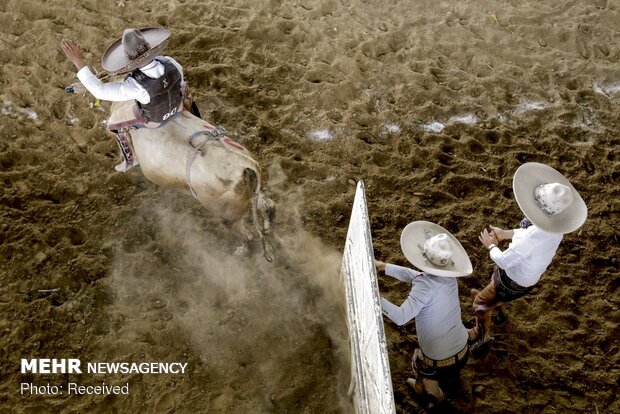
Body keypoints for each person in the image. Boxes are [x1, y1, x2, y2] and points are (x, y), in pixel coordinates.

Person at [469, 162, 588, 350]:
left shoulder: (530, 238)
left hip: (512, 279)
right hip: (526, 279)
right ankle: (496, 306)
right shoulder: (556, 230)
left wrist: (491, 245)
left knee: (479, 302)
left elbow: (504, 260)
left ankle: (481, 335)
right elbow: (527, 234)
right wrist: (504, 234)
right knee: (495, 286)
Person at [61, 27, 190, 172]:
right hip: (177, 106)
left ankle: (131, 158)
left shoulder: (135, 86)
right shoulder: (171, 62)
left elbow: (99, 91)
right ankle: (194, 114)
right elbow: (180, 81)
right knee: (184, 91)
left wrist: (78, 61)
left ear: (129, 57)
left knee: (113, 124)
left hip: (156, 119)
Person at [377, 221, 473, 405]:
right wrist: (384, 267)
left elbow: (401, 317)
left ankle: (434, 395)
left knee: (423, 378)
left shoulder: (425, 284)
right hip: (463, 350)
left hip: (438, 362)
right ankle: (450, 380)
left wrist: (376, 298)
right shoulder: (449, 277)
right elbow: (416, 276)